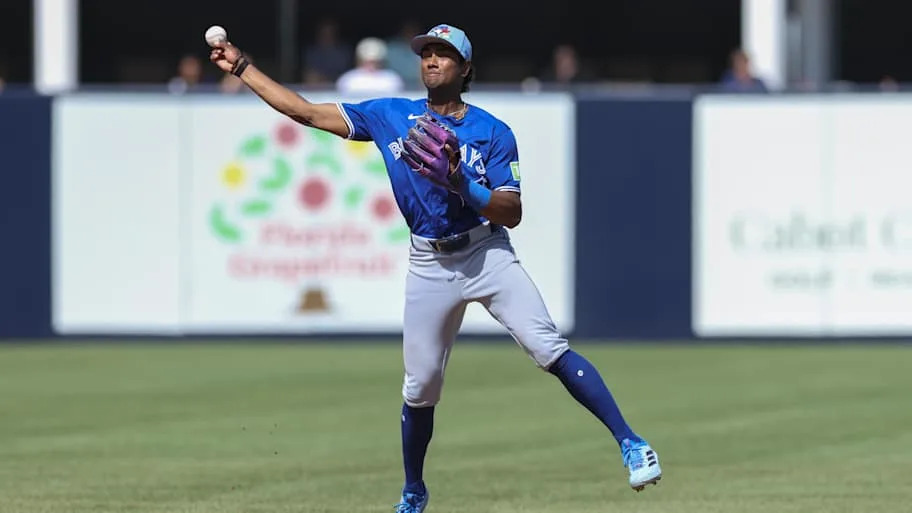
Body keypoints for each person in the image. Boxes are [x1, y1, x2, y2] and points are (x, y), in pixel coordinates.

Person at [209, 23, 662, 513]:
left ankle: (631, 442)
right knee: (420, 386)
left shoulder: (491, 132)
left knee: (547, 346)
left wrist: (461, 183)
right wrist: (242, 67)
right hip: (429, 260)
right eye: (426, 52)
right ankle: (413, 489)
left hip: (486, 253)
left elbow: (511, 211)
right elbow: (306, 112)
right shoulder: (390, 115)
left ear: (465, 68)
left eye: (443, 54)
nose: (430, 60)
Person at [336, 37, 405, 94]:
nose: (371, 66)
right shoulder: (348, 79)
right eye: (367, 62)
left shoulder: (393, 79)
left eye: (375, 62)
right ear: (360, 60)